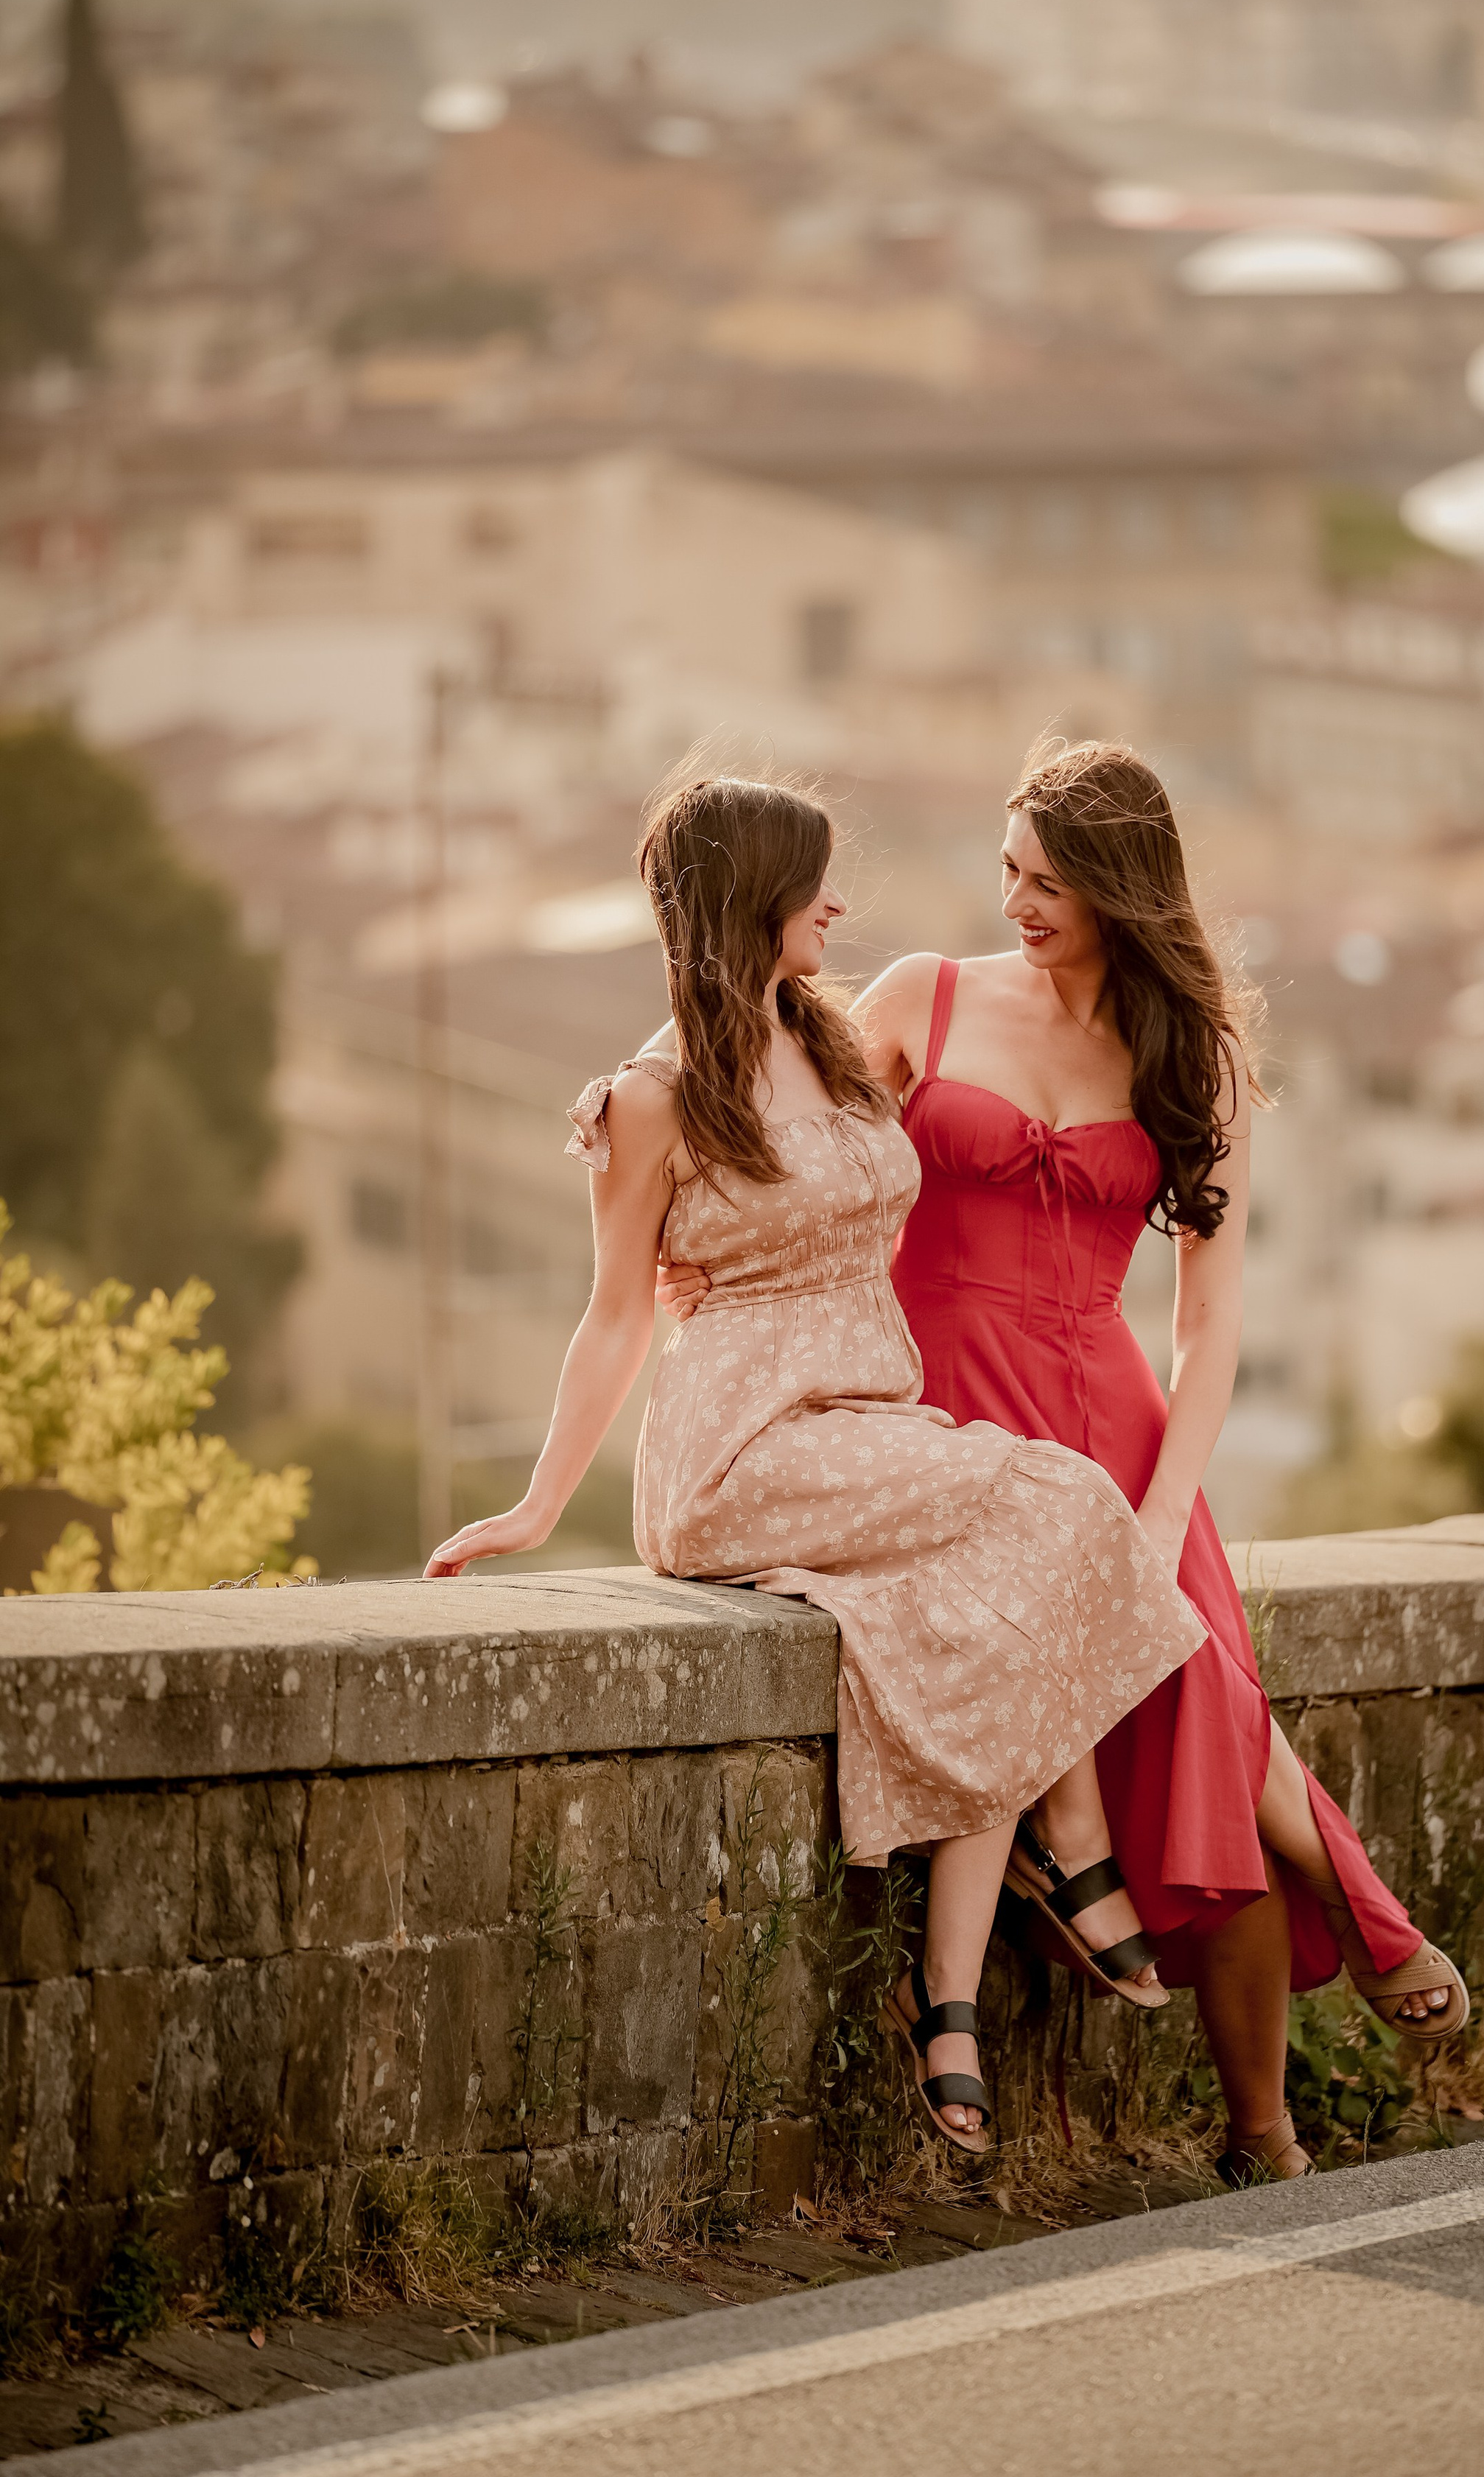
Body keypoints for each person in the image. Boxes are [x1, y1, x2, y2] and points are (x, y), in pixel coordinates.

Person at [660, 742, 1467, 2185]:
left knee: (1201, 1733)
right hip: (936, 1412)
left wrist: (1158, 1522)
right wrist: (668, 1190)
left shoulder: (1186, 1053)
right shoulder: (923, 996)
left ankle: (1261, 2130)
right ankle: (1368, 1916)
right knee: (1172, 1711)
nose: (1018, 902)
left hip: (1113, 1437)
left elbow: (1207, 1329)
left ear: (1115, 888)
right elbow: (774, 1117)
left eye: (1048, 881)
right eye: (1007, 874)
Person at [423, 772, 1203, 2154]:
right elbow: (612, 1321)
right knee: (1066, 1501)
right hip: (744, 1444)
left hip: (858, 1423)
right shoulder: (655, 1099)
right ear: (751, 902)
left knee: (1010, 1577)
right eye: (815, 885)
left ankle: (951, 1991)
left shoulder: (838, 1046)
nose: (839, 906)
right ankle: (1064, 1838)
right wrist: (540, 1504)